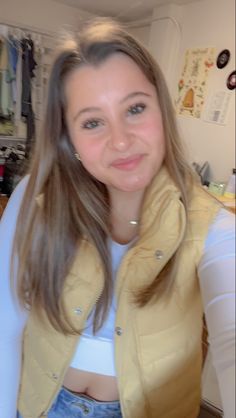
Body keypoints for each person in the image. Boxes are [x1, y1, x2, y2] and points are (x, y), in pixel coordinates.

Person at [0, 17, 235, 418]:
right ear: (68, 138)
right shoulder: (36, 200)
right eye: (92, 122)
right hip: (40, 404)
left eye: (135, 108)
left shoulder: (213, 226)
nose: (121, 140)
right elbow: (5, 324)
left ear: (162, 108)